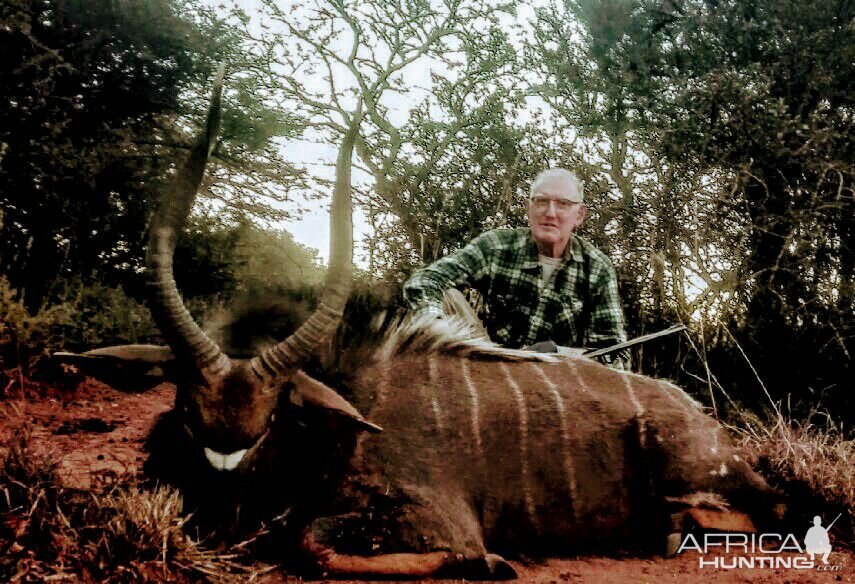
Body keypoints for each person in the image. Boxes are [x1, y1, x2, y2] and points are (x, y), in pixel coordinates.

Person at [404, 168, 630, 369]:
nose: (550, 213)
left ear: (579, 215)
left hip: (555, 377)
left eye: (563, 204)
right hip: (488, 363)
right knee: (447, 296)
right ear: (528, 207)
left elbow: (617, 356)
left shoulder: (597, 268)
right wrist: (439, 326)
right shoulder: (496, 245)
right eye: (541, 201)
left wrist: (558, 353)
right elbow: (425, 281)